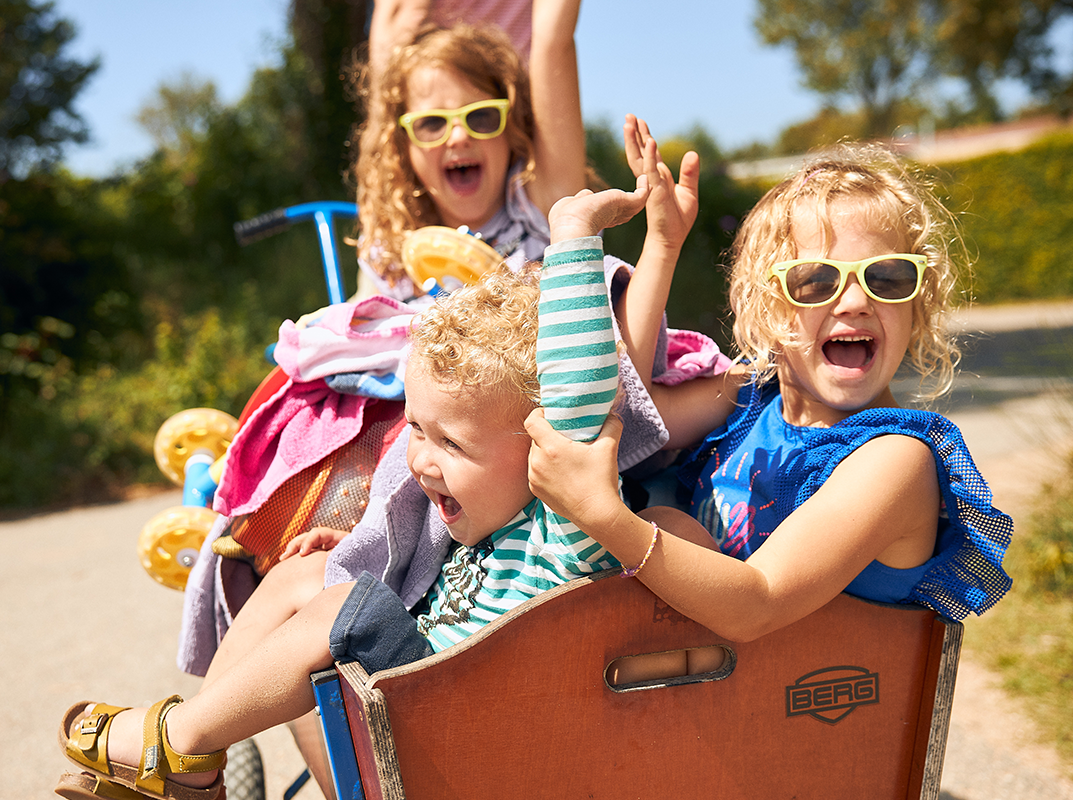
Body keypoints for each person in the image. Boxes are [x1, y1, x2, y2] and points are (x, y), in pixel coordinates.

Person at [56, 179, 666, 800]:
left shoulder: (565, 528)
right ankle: (196, 760)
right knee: (307, 576)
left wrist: (570, 234)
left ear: (542, 447)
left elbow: (579, 396)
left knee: (352, 612)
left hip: (473, 742)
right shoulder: (473, 530)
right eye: (418, 432)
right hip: (423, 718)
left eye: (452, 445)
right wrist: (356, 545)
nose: (423, 461)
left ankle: (180, 737)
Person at [526, 142, 1014, 653]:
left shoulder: (895, 461)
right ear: (767, 312)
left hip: (804, 714)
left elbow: (757, 603)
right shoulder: (749, 397)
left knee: (658, 525)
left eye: (887, 277)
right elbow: (631, 412)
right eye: (816, 281)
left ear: (917, 302)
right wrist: (663, 248)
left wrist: (605, 517)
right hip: (714, 695)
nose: (855, 301)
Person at [352, 0, 586, 301]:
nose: (459, 136)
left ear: (511, 128)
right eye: (431, 124)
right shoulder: (396, 250)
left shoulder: (542, 212)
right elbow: (393, 28)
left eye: (482, 116)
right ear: (402, 146)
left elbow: (553, 41)